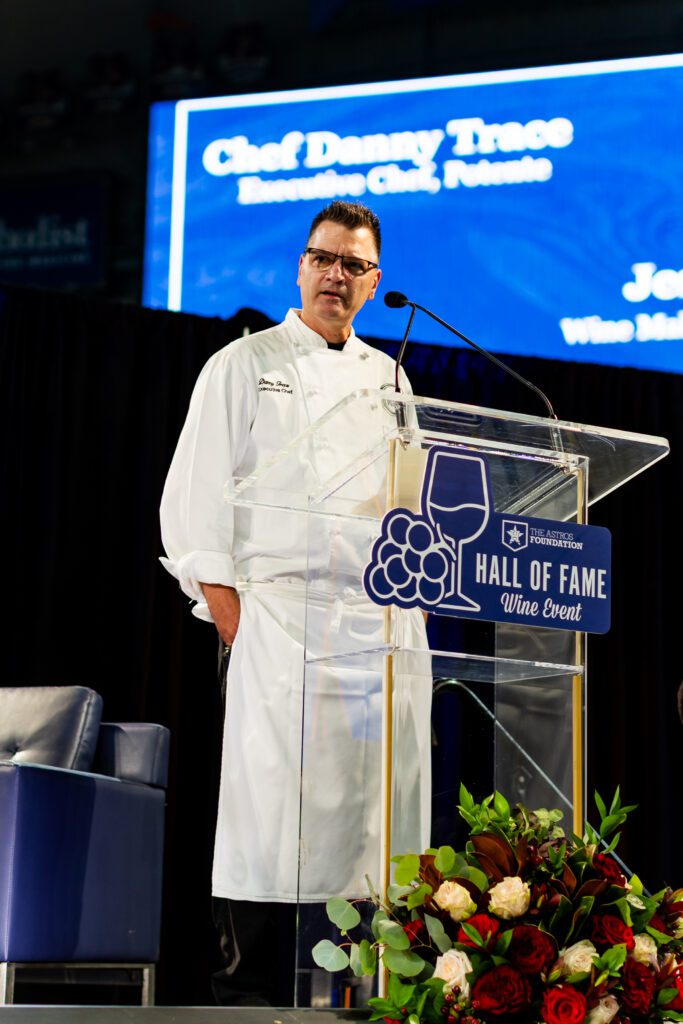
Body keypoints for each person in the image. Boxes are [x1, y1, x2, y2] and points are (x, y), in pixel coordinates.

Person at [160, 201, 431, 1006]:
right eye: (323, 259)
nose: (335, 276)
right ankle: (246, 1003)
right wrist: (240, 625)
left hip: (372, 629)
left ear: (374, 280)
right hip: (274, 623)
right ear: (299, 265)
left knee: (367, 829)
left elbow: (408, 504)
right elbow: (193, 505)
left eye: (353, 265)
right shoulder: (242, 363)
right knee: (267, 824)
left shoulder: (389, 378)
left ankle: (364, 999)